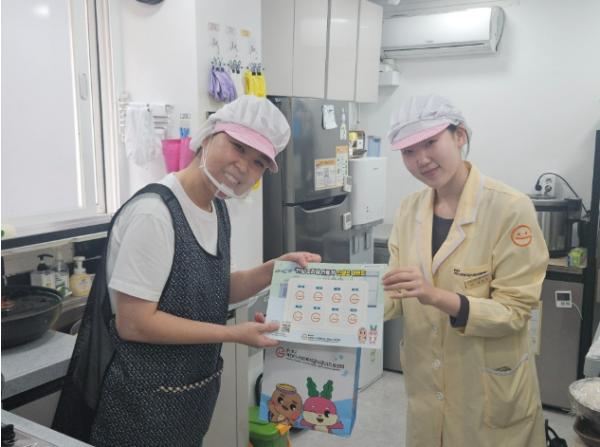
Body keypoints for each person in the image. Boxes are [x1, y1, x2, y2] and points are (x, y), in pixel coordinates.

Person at [53, 95, 320, 447]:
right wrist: (234, 334)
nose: (244, 166)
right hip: (137, 409)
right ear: (208, 136)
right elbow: (134, 323)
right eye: (237, 147)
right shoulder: (155, 214)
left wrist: (273, 269)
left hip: (187, 402)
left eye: (258, 162)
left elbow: (215, 287)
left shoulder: (215, 207)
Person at [382, 94, 548, 447]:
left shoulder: (510, 208)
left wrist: (436, 296)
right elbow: (394, 291)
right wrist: (339, 307)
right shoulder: (408, 210)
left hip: (487, 392)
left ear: (459, 136)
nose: (421, 159)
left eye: (430, 142)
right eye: (408, 151)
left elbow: (516, 311)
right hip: (426, 389)